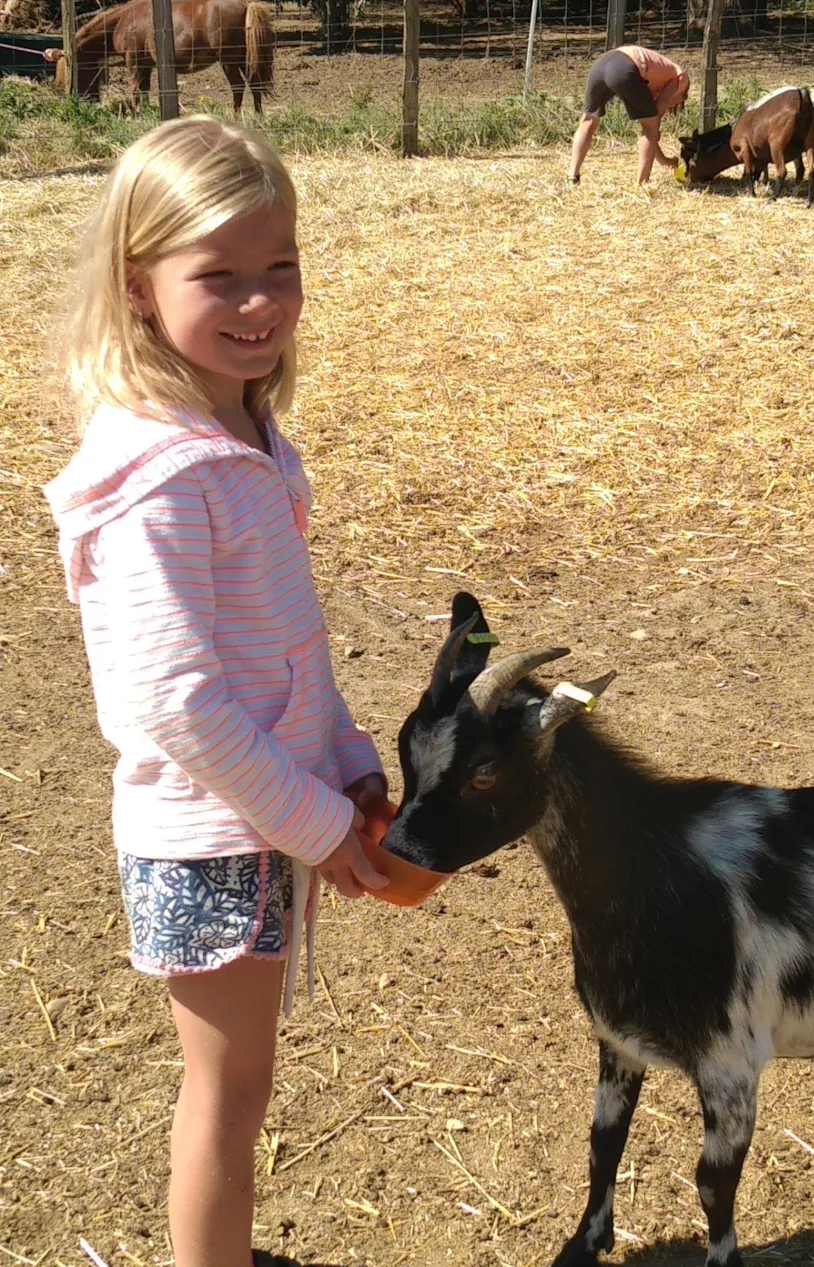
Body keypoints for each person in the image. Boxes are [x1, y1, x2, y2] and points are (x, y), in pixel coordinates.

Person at [44, 116, 390, 1267]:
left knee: (240, 1087)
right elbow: (180, 703)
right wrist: (325, 824)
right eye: (220, 277)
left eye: (278, 268)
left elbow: (285, 642)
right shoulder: (157, 479)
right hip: (214, 837)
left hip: (264, 812)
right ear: (139, 286)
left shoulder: (239, 430)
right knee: (227, 1101)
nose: (258, 302)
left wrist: (342, 750)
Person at [569, 44, 690, 185]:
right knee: (651, 126)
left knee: (588, 120)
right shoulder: (681, 78)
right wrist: (664, 158)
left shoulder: (654, 79)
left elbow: (648, 128)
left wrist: (665, 161)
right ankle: (642, 184)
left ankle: (572, 177)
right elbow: (653, 123)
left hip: (600, 65)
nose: (675, 105)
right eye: (680, 101)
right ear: (683, 92)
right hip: (623, 67)